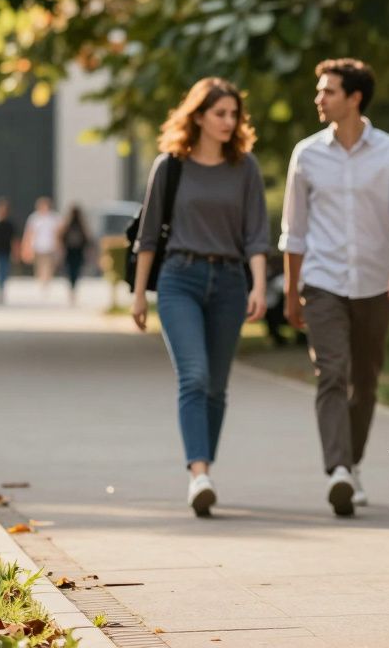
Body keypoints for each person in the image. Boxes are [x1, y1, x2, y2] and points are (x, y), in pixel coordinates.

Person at [279, 58, 389, 516]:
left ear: (354, 98)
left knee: (365, 380)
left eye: (328, 91)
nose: (318, 98)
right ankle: (338, 469)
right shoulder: (306, 154)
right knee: (332, 373)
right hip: (322, 282)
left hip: (376, 283)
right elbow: (294, 230)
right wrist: (291, 291)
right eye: (320, 91)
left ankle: (353, 464)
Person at [130, 77, 271, 517]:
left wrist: (259, 286)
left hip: (230, 281)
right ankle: (199, 474)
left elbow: (256, 234)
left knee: (217, 386)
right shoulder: (170, 165)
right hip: (179, 280)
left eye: (234, 114)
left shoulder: (244, 166)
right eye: (220, 114)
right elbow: (148, 237)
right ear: (198, 116)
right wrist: (138, 296)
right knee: (193, 376)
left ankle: (203, 468)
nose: (229, 121)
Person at [21, 197, 60, 293]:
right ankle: (42, 280)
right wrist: (26, 247)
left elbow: (58, 233)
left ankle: (46, 280)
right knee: (39, 265)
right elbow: (29, 233)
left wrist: (58, 245)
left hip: (50, 246)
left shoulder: (54, 218)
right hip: (37, 246)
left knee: (49, 265)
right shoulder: (34, 218)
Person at [58, 204, 93, 306]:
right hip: (78, 252)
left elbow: (61, 238)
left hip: (70, 252)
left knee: (70, 271)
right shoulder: (81, 225)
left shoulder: (67, 225)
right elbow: (87, 240)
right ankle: (73, 287)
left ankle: (72, 287)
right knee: (76, 270)